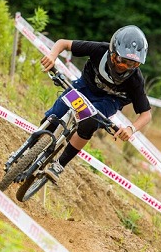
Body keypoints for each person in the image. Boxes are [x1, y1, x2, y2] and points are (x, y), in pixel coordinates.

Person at [39, 25, 152, 184]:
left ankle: (59, 165)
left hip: (110, 101)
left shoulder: (135, 80)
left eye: (133, 64)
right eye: (123, 61)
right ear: (113, 54)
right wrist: (52, 56)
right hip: (85, 86)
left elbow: (146, 114)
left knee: (90, 121)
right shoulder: (100, 50)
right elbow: (63, 43)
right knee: (55, 114)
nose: (126, 67)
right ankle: (34, 146)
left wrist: (130, 129)